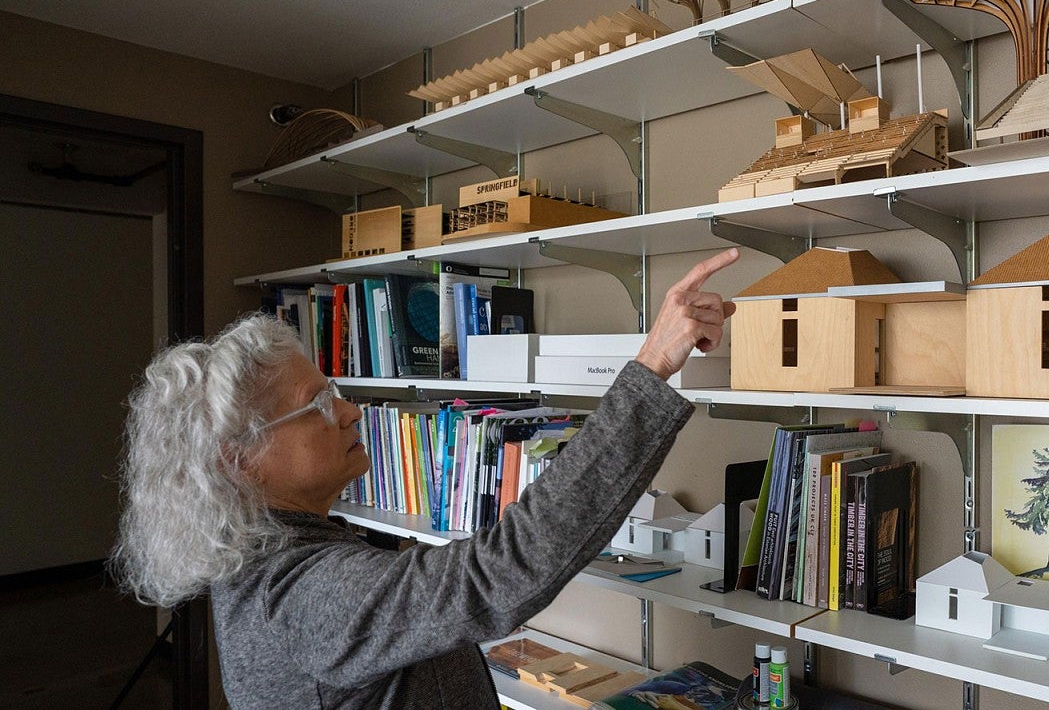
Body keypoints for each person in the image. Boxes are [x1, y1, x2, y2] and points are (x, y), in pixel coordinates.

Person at [112, 248, 741, 709]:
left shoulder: (268, 566)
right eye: (319, 404)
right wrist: (653, 366)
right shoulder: (303, 598)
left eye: (339, 393)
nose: (351, 411)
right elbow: (503, 570)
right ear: (240, 459)